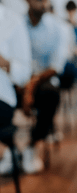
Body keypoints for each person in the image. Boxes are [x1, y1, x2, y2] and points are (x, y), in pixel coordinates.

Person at [20, 0, 68, 174]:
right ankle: (10, 147)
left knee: (51, 95)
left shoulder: (57, 27)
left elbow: (56, 66)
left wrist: (31, 86)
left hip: (43, 82)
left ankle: (32, 144)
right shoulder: (16, 24)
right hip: (18, 79)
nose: (42, 2)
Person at [0, 3, 32, 175]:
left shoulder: (13, 22)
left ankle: (12, 152)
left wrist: (5, 63)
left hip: (2, 98)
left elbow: (25, 74)